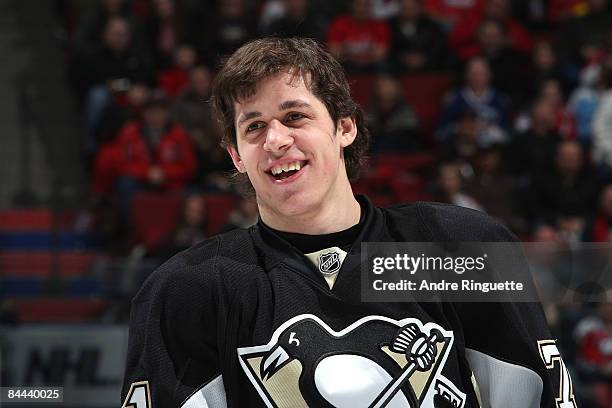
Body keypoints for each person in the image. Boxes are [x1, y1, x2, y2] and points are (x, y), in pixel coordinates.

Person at [121, 37, 574, 407]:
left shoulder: (453, 249)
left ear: (345, 127)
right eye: (254, 127)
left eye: (295, 116)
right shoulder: (192, 289)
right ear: (236, 156)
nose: (276, 140)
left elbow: (534, 397)